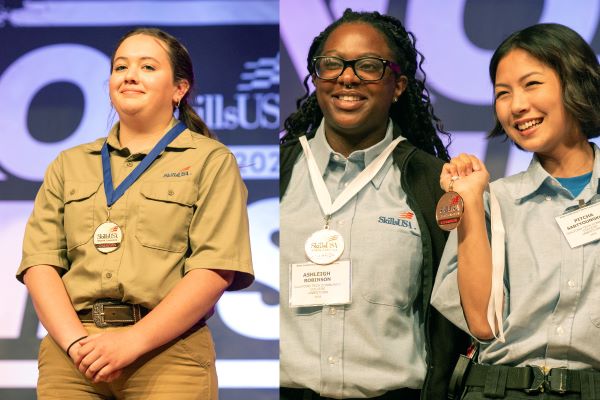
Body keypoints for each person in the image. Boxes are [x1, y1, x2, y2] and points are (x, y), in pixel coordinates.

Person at [16, 28, 253, 399]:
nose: (129, 75)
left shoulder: (210, 160)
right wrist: (77, 343)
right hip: (73, 356)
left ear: (179, 89)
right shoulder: (69, 164)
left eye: (147, 66)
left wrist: (133, 342)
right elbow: (40, 263)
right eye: (120, 66)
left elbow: (215, 268)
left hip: (166, 352)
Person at [280, 9, 469, 400]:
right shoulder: (275, 172)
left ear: (398, 86)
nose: (347, 77)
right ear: (316, 78)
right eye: (331, 64)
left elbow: (458, 319)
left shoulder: (435, 184)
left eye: (369, 66)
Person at [432, 23, 600, 399]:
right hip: (499, 390)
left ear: (577, 82)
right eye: (502, 93)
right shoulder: (495, 201)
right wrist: (472, 202)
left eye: (532, 84)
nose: (517, 105)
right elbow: (482, 324)